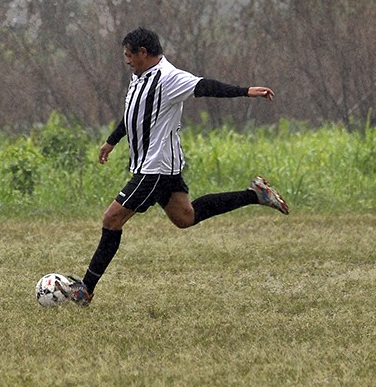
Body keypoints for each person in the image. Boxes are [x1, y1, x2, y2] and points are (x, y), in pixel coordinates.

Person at [66, 27, 289, 306]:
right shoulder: (139, 78)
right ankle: (255, 194)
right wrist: (112, 141)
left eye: (128, 55)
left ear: (143, 53)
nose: (126, 61)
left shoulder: (169, 78)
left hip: (156, 168)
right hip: (155, 166)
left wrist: (245, 92)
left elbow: (206, 86)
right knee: (185, 217)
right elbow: (134, 115)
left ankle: (85, 289)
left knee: (112, 219)